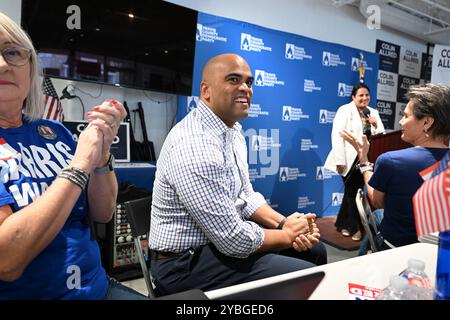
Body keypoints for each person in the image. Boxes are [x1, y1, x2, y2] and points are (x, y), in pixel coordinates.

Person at [149, 53, 327, 295]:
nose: (245, 88)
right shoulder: (195, 144)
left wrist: (285, 223)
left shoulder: (231, 131)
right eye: (233, 80)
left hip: (215, 246)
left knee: (315, 252)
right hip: (182, 265)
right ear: (206, 90)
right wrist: (287, 235)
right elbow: (232, 239)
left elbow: (245, 195)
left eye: (249, 82)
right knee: (305, 275)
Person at [0, 12, 147, 299]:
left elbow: (104, 212)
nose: (3, 64)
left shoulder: (55, 132)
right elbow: (6, 260)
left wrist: (102, 152)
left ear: (30, 67)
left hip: (98, 288)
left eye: (12, 52)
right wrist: (80, 164)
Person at [340, 83, 450, 250]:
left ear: (426, 122)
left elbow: (376, 200)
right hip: (441, 251)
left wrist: (363, 161)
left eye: (406, 116)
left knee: (377, 215)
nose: (400, 121)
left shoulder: (390, 161)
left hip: (396, 249)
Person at [324, 83, 385, 241]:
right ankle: (357, 228)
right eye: (361, 95)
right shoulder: (344, 110)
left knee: (351, 192)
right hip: (349, 159)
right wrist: (340, 159)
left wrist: (375, 124)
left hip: (368, 159)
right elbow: (337, 136)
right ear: (353, 97)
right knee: (353, 192)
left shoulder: (373, 113)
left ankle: (343, 223)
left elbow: (381, 135)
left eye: (367, 95)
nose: (365, 98)